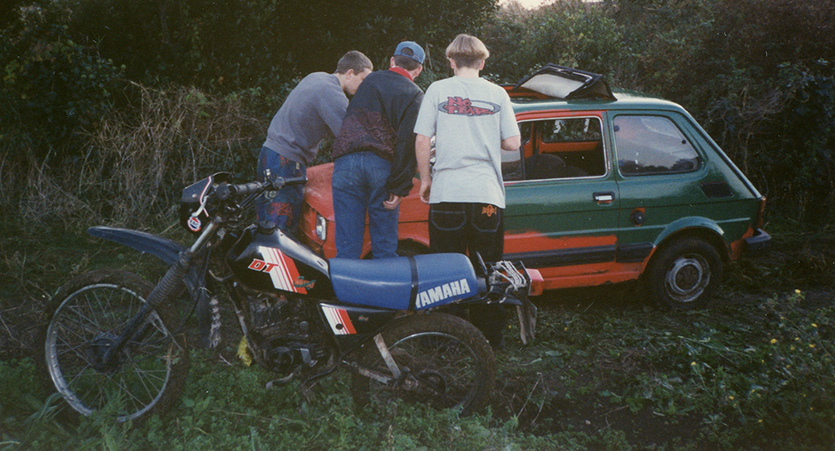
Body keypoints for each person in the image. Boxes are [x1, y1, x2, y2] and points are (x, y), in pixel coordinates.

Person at [414, 34, 521, 348]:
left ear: (451, 62)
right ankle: (489, 339)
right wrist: (488, 135)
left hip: (448, 193)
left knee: (445, 268)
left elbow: (422, 139)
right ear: (483, 62)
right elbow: (513, 143)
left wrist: (425, 180)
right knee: (488, 269)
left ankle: (446, 337)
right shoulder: (497, 93)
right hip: (486, 194)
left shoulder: (437, 90)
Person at [256, 51, 373, 236]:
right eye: (363, 80)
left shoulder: (317, 77)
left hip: (270, 154)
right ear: (350, 73)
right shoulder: (331, 92)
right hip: (286, 161)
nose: (364, 87)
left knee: (266, 224)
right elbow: (351, 136)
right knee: (279, 231)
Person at [330, 41, 425, 259]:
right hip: (380, 166)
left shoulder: (370, 80)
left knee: (346, 246)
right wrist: (399, 187)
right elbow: (407, 143)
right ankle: (385, 291)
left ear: (392, 61)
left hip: (346, 163)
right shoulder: (415, 95)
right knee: (384, 245)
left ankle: (347, 292)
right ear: (418, 69)